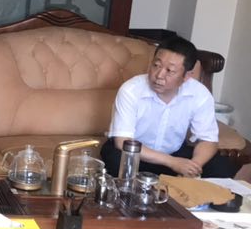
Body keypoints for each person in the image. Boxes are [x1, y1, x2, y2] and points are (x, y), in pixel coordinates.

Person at [101, 36, 237, 179]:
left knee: (221, 166)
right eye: (156, 65)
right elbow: (122, 141)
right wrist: (172, 162)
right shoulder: (131, 89)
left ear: (187, 76)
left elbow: (208, 140)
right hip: (136, 154)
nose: (159, 75)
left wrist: (192, 167)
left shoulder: (199, 94)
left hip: (174, 153)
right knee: (116, 159)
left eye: (170, 71)